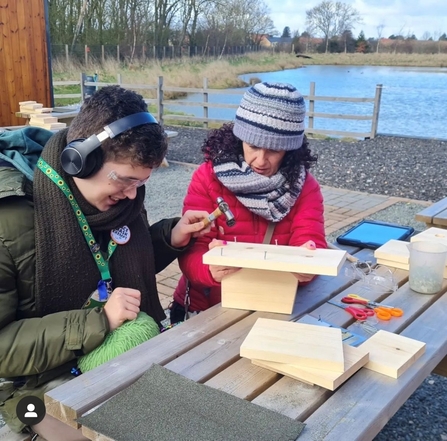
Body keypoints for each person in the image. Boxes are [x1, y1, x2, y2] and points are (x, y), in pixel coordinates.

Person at [0, 86, 210, 440]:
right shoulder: (10, 222)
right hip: (31, 387)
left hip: (116, 352)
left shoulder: (119, 203)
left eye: (141, 183)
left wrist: (167, 238)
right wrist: (99, 320)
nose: (132, 194)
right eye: (125, 180)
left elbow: (111, 268)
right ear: (80, 160)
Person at [170, 82, 327, 323]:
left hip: (271, 309)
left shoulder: (305, 186)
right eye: (253, 146)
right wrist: (208, 270)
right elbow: (190, 251)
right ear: (239, 137)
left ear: (290, 149)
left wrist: (308, 265)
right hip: (206, 310)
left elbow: (312, 241)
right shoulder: (207, 177)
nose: (261, 160)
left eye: (274, 150)